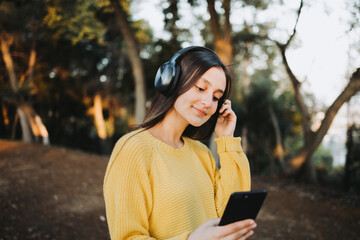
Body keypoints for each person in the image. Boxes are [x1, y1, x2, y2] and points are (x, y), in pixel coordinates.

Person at [103, 46, 255, 239]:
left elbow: (231, 218)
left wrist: (227, 140)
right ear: (171, 81)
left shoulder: (202, 153)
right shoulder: (134, 149)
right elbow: (127, 236)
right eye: (200, 88)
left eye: (216, 97)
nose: (208, 102)